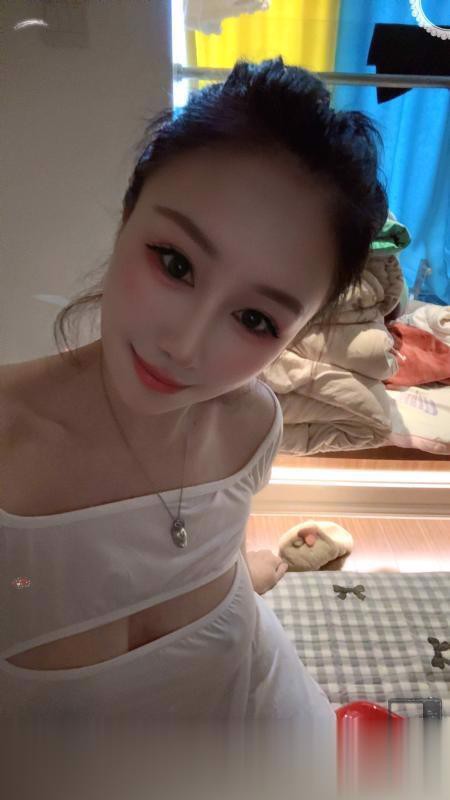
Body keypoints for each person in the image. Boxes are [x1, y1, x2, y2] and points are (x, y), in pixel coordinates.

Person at [0, 57, 388, 726]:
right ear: (128, 212)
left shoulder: (252, 426)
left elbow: (202, 556)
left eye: (255, 319)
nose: (185, 345)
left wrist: (242, 575)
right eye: (176, 263)